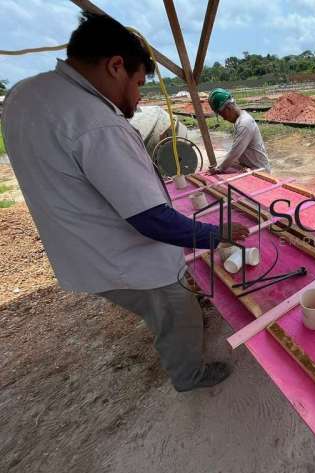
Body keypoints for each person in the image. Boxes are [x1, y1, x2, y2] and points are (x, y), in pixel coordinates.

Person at [2, 13, 248, 392]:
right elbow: (152, 220)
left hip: (81, 250)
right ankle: (190, 375)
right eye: (137, 84)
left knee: (160, 305)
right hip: (127, 256)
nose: (137, 98)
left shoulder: (25, 94)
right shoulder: (95, 121)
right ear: (115, 65)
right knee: (176, 308)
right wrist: (216, 234)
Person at [207, 88, 271, 174]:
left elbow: (235, 152)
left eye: (222, 114)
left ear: (228, 108)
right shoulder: (240, 121)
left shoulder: (244, 123)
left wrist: (219, 169)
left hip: (261, 172)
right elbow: (236, 154)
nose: (224, 118)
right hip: (250, 169)